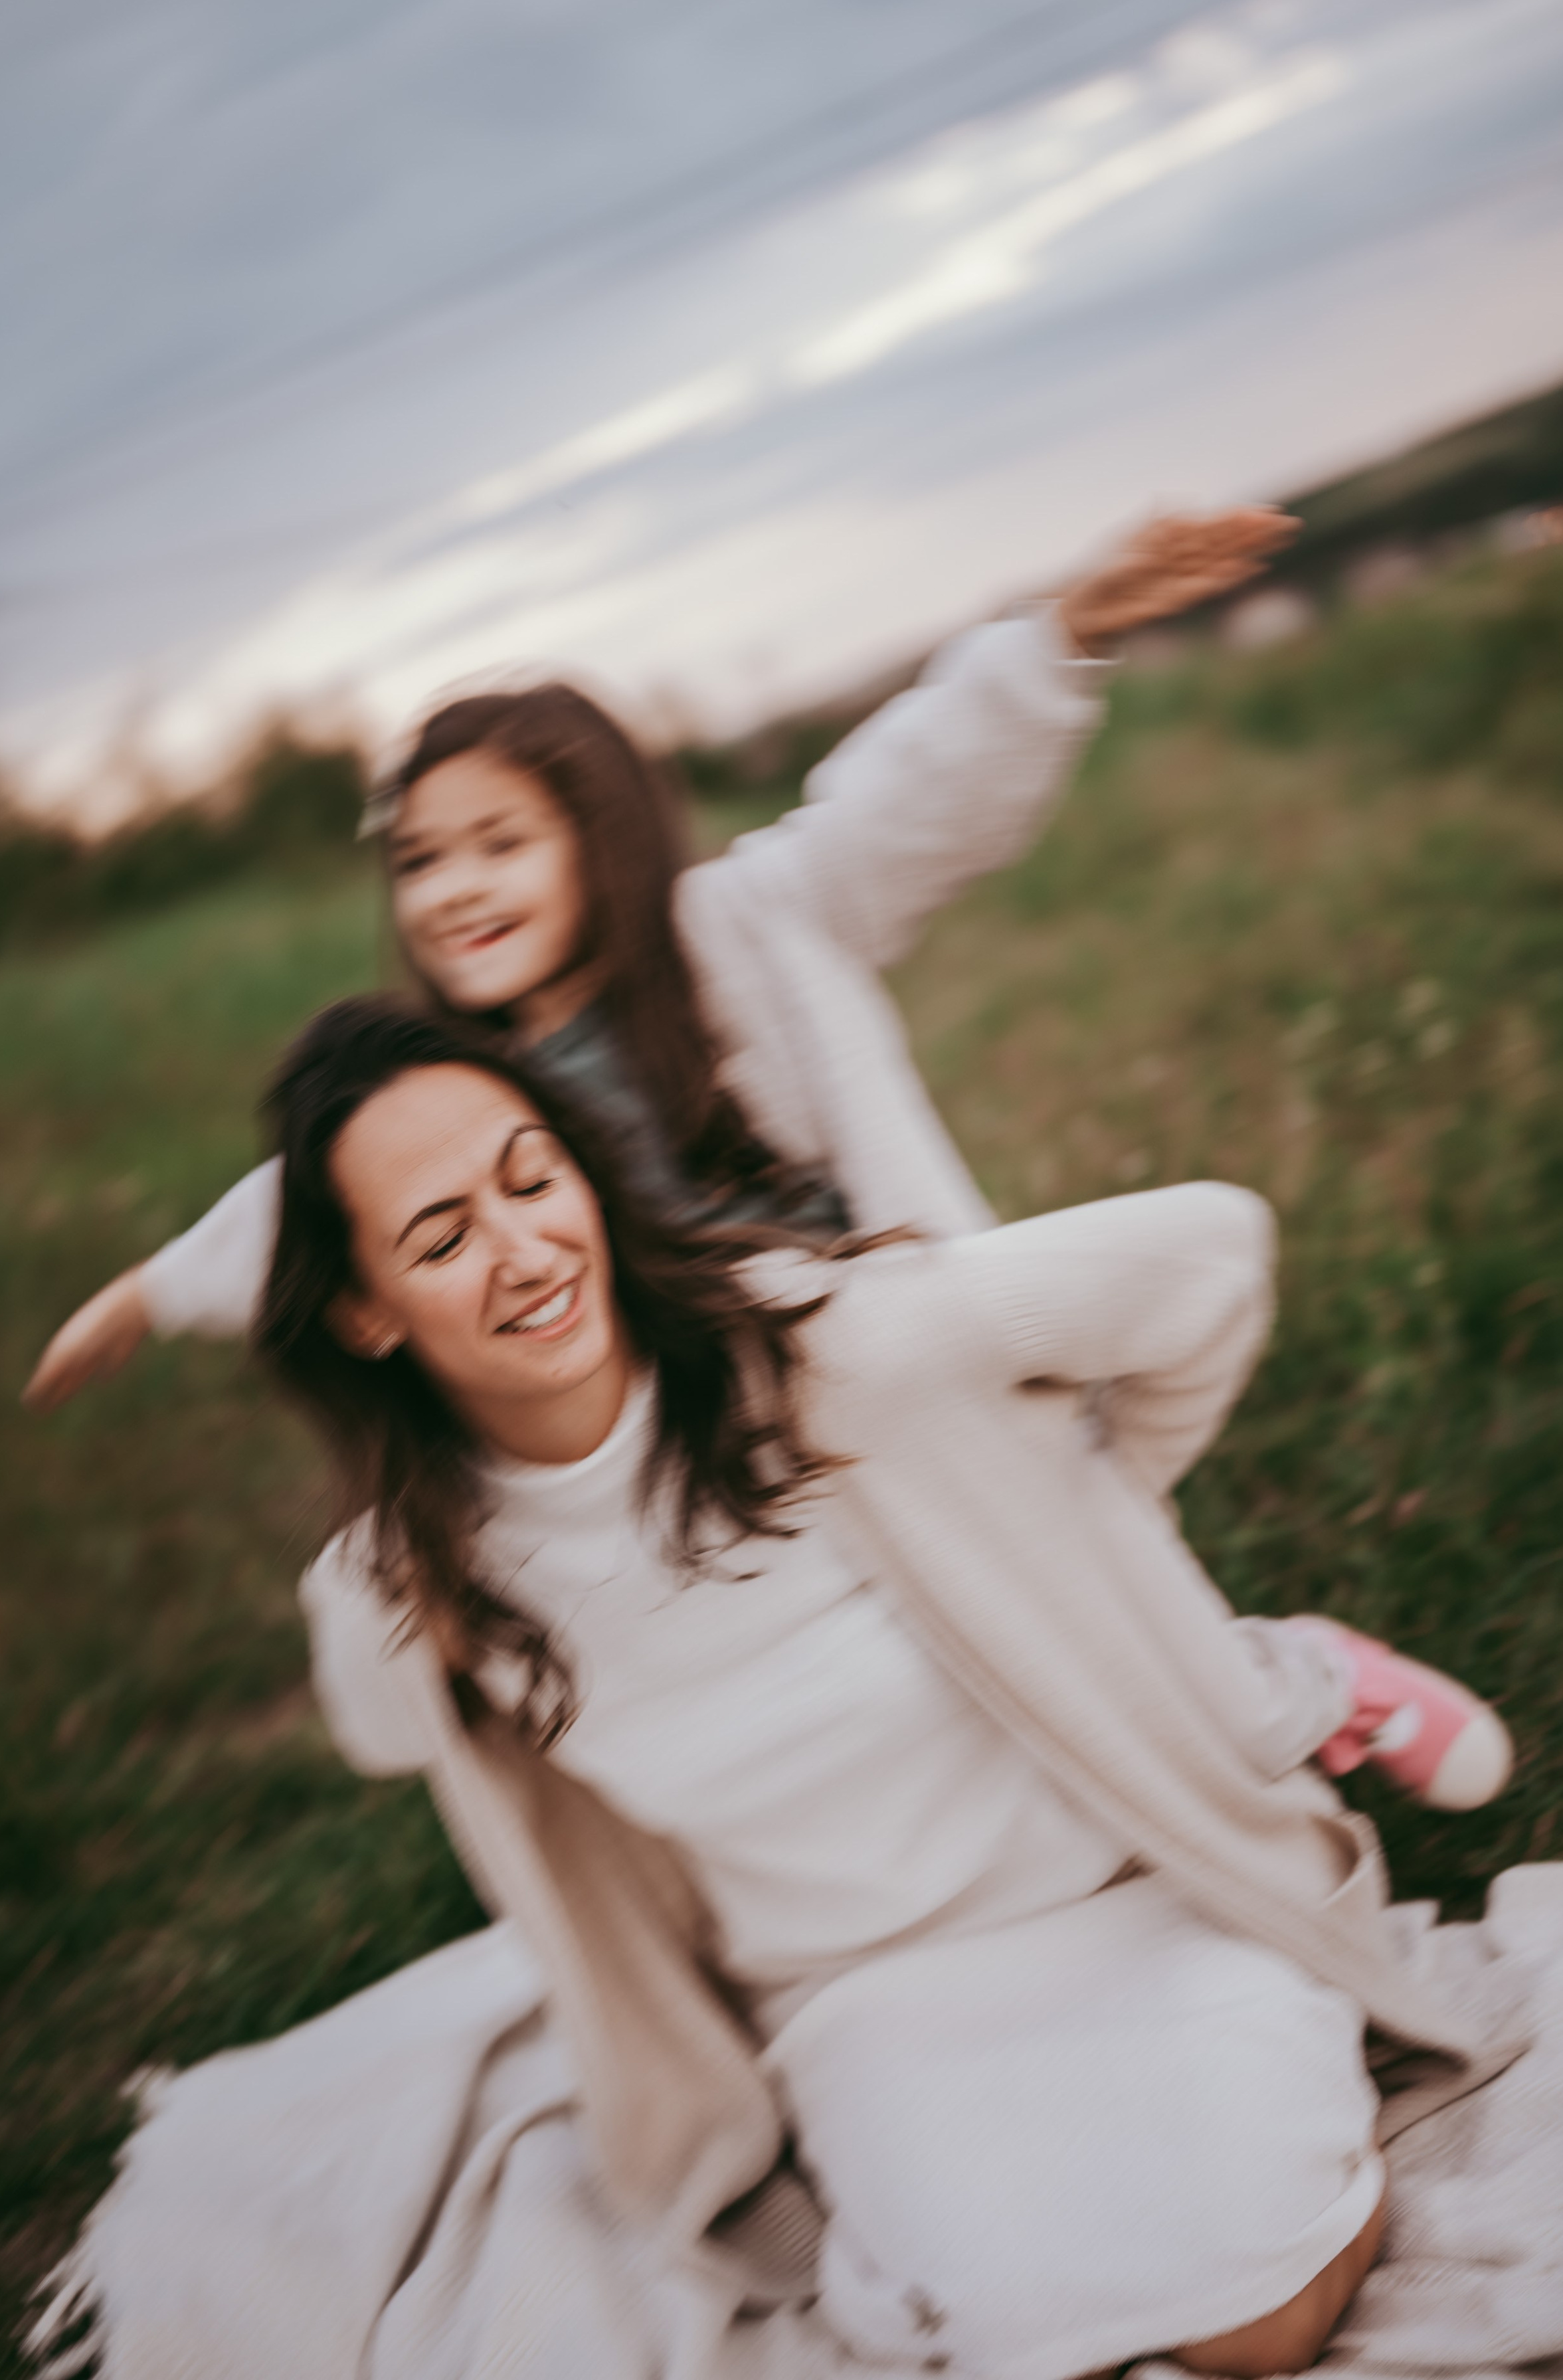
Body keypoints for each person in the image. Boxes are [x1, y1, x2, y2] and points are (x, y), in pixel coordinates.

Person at [23, 506, 1508, 1811]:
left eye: (499, 842)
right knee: (936, 1656)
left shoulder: (746, 928)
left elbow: (905, 806)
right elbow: (323, 1198)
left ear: (598, 837)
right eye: (421, 858)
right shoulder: (448, 1082)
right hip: (727, 1431)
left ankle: (1288, 1693)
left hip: (900, 1340)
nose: (455, 887)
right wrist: (153, 1289)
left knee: (1077, 1543)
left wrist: (1055, 640)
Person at [238, 994, 1499, 2379]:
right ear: (363, 1312)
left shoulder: (825, 1347)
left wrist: (1092, 1517)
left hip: (1122, 1891)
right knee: (1023, 2338)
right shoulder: (418, 1586)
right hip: (858, 1998)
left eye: (531, 1177)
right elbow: (372, 1729)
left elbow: (1211, 1256)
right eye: (441, 1234)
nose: (521, 1245)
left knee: (1262, 2316)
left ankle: (1299, 1684)